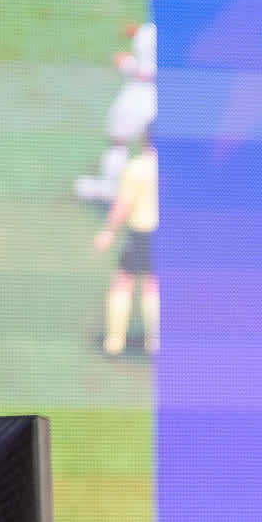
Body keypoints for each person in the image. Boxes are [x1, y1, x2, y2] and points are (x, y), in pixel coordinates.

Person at [94, 129, 159, 357]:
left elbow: (123, 204)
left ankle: (114, 342)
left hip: (140, 232)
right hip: (163, 235)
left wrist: (108, 231)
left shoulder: (137, 167)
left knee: (122, 281)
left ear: (144, 138)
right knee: (153, 285)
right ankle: (154, 341)